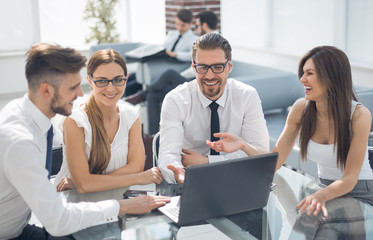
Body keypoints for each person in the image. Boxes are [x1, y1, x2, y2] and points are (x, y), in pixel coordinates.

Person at [0, 43, 169, 239]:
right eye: (73, 87)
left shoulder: (26, 113)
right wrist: (123, 206)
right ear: (46, 90)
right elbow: (58, 222)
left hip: (20, 228)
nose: (81, 94)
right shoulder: (20, 141)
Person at [207, 46, 373, 218]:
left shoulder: (359, 115)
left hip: (360, 191)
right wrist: (243, 145)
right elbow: (276, 162)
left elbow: (350, 178)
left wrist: (318, 197)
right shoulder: (301, 108)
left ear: (331, 77)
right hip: (324, 189)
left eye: (309, 73)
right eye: (302, 73)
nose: (302, 79)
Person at [158, 33, 270, 183]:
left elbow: (259, 153)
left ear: (229, 66)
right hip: (190, 179)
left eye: (217, 67)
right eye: (202, 67)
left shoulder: (247, 96)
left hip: (237, 179)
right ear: (193, 66)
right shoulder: (175, 100)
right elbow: (168, 155)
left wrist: (207, 162)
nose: (209, 76)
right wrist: (179, 174)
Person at [54, 49, 164, 193]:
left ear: (127, 78)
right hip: (73, 202)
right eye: (102, 81)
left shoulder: (131, 115)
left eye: (118, 80)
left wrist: (90, 181)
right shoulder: (75, 121)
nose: (111, 88)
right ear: (90, 81)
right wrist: (139, 178)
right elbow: (84, 185)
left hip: (113, 197)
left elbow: (136, 166)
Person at [125, 11, 219, 134]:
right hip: (193, 79)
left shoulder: (214, 42)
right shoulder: (207, 40)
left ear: (204, 25)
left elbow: (200, 68)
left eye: (198, 25)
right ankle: (153, 137)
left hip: (198, 83)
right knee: (152, 96)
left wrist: (180, 76)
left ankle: (139, 96)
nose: (196, 29)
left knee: (170, 74)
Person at [124, 8, 198, 97]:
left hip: (172, 65)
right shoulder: (172, 34)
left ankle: (135, 98)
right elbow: (163, 46)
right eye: (177, 24)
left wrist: (175, 54)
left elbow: (191, 55)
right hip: (161, 61)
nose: (179, 28)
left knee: (133, 85)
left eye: (183, 25)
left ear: (190, 24)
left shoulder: (193, 39)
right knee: (130, 78)